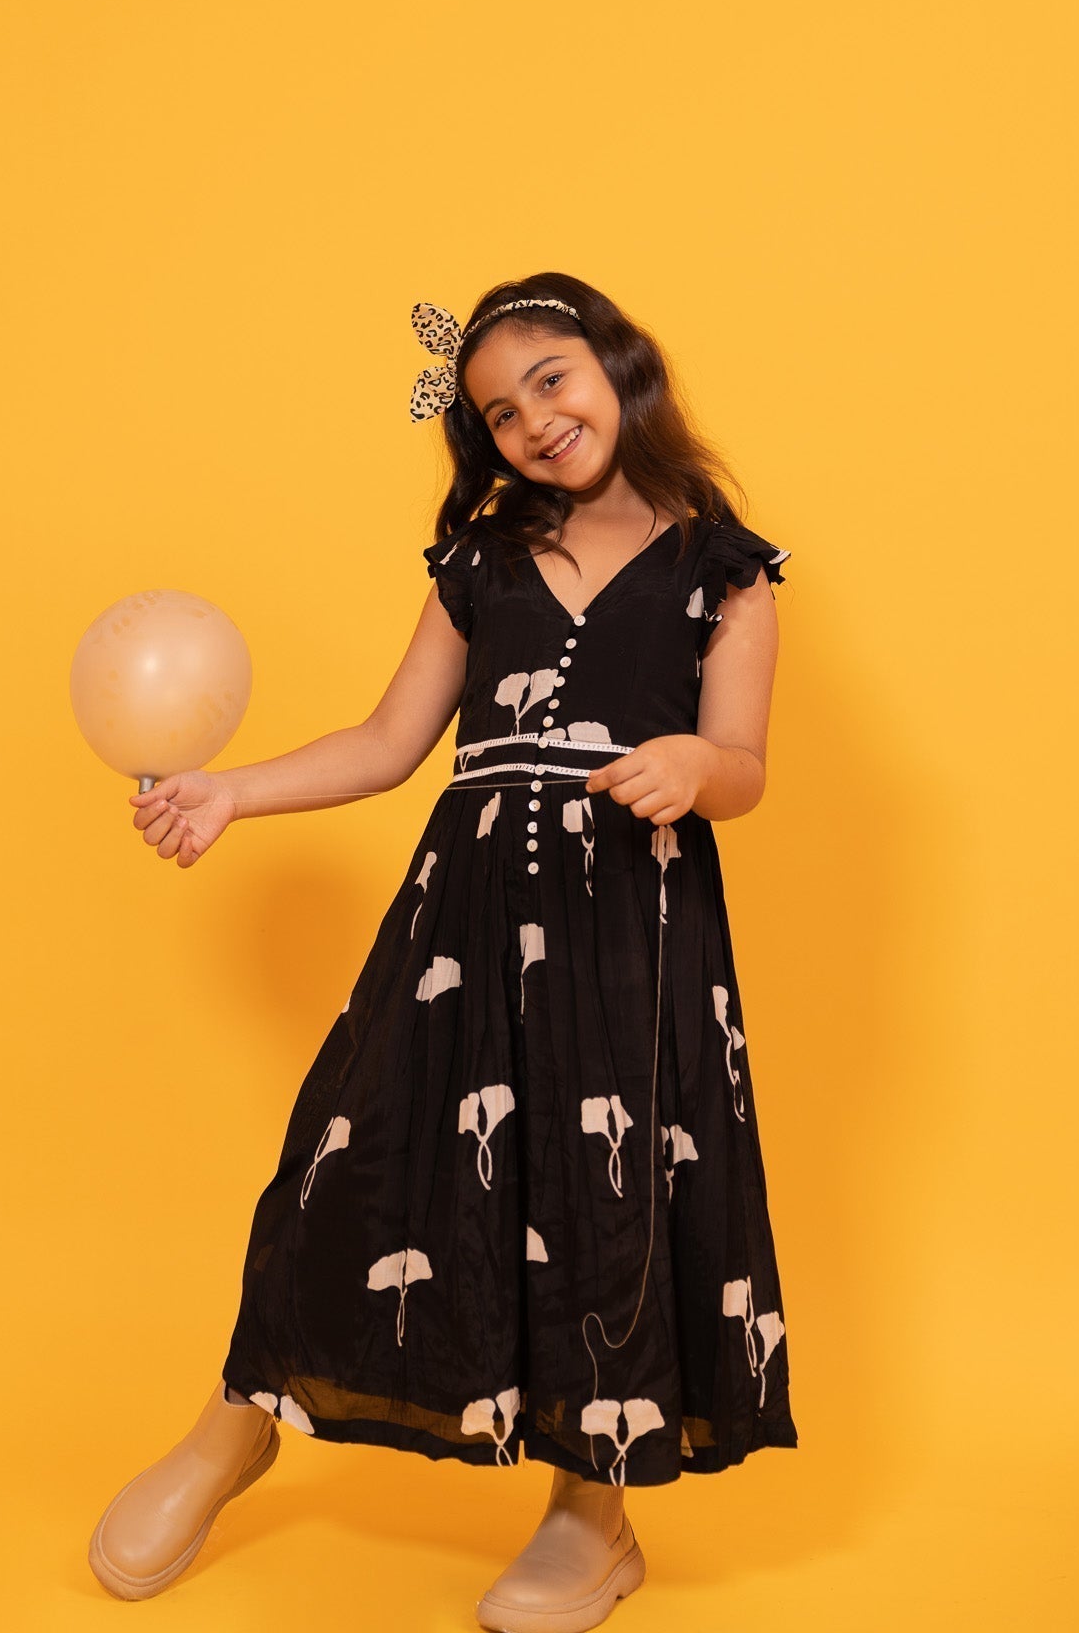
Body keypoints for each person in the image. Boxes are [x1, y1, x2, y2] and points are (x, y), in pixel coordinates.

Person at [88, 274, 799, 1628]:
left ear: (617, 365)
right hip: (458, 925)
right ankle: (238, 1421)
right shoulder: (479, 562)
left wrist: (696, 766)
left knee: (604, 1207)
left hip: (629, 929)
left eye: (550, 379)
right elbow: (383, 743)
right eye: (498, 412)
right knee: (347, 1155)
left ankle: (591, 1511)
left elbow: (747, 763)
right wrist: (231, 790)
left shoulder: (726, 569)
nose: (533, 420)